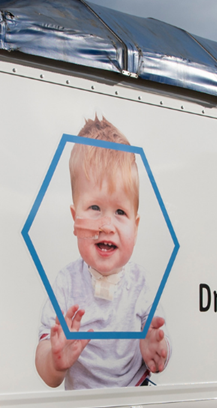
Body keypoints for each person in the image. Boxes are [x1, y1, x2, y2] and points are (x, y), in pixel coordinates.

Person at [34, 116, 170, 390]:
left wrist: (155, 349)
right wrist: (55, 361)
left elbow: (160, 358)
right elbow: (47, 370)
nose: (107, 226)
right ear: (75, 218)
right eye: (94, 208)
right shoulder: (66, 284)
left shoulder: (140, 284)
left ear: (136, 225)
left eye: (120, 212)